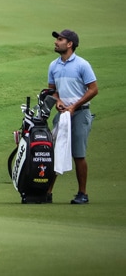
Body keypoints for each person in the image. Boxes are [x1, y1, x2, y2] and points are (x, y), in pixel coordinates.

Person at [47, 29, 98, 204]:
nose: (56, 42)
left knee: (78, 154)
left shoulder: (82, 65)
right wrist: (58, 101)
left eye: (60, 39)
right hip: (62, 114)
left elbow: (93, 89)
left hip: (80, 113)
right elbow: (52, 91)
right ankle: (47, 192)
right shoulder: (53, 65)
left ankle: (82, 194)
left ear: (69, 44)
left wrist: (74, 106)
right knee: (54, 152)